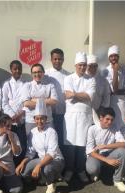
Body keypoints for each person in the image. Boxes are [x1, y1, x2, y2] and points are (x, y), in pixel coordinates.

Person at [16, 99, 64, 193]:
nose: (39, 121)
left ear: (46, 119)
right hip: (41, 159)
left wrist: (38, 166)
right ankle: (45, 176)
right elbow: (30, 153)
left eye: (42, 118)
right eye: (37, 119)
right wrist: (21, 163)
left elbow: (51, 154)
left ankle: (51, 183)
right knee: (24, 173)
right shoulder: (32, 132)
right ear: (34, 119)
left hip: (56, 160)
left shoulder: (51, 132)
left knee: (47, 169)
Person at [63, 52, 96, 183]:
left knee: (83, 144)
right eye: (80, 65)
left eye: (84, 65)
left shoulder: (91, 79)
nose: (82, 67)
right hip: (70, 116)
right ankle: (70, 170)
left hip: (85, 116)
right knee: (70, 145)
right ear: (76, 65)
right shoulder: (68, 78)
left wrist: (74, 95)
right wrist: (82, 95)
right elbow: (67, 95)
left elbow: (90, 96)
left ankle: (81, 170)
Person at [85, 107, 125, 192]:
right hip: (96, 155)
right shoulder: (92, 129)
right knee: (92, 169)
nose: (109, 122)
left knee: (123, 152)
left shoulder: (114, 127)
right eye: (107, 119)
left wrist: (105, 146)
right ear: (101, 117)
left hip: (109, 153)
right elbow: (89, 151)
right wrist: (106, 160)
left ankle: (117, 180)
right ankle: (97, 171)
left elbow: (124, 143)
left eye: (112, 120)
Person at [21, 63, 58, 135]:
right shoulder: (27, 85)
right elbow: (26, 103)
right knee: (32, 143)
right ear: (31, 74)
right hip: (31, 120)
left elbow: (54, 101)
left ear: (43, 73)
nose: (37, 74)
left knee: (49, 140)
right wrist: (47, 100)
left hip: (47, 120)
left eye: (39, 72)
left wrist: (34, 100)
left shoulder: (50, 85)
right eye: (34, 72)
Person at [2, 60, 27, 165]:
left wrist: (20, 115)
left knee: (22, 144)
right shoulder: (6, 84)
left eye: (19, 68)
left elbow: (27, 102)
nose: (17, 71)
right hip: (10, 121)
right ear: (11, 70)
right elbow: (4, 103)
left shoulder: (26, 84)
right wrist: (13, 116)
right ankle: (11, 167)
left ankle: (21, 167)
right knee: (10, 144)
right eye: (15, 69)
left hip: (22, 120)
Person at [102, 45, 125, 129]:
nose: (113, 58)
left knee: (122, 124)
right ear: (109, 58)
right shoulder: (105, 71)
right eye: (111, 56)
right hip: (110, 101)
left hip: (122, 101)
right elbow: (113, 89)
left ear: (118, 57)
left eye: (115, 56)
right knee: (111, 124)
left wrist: (121, 92)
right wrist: (115, 71)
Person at [45, 48, 69, 146]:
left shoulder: (68, 75)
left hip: (64, 113)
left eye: (60, 59)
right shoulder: (46, 74)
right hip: (49, 113)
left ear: (63, 60)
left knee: (62, 138)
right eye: (55, 59)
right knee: (50, 138)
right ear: (51, 60)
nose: (57, 61)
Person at [86, 54, 111, 125]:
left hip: (98, 113)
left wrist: (102, 109)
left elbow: (107, 97)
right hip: (84, 113)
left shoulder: (103, 80)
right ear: (87, 66)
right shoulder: (83, 79)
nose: (92, 68)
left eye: (95, 66)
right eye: (90, 66)